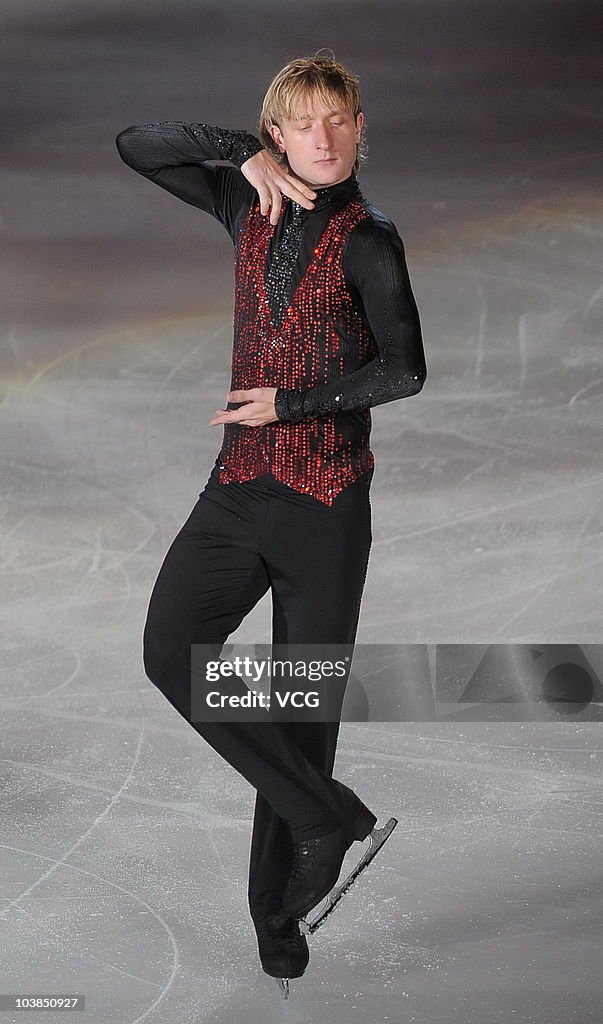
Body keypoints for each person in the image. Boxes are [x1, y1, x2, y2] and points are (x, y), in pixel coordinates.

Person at [115, 51, 426, 987]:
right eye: (300, 124)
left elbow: (403, 369)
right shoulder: (245, 205)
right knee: (173, 648)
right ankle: (325, 814)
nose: (321, 139)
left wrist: (288, 405)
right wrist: (238, 154)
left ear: (360, 129)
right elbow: (138, 147)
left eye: (337, 121)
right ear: (278, 133)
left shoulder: (371, 239)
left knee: (296, 712)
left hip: (325, 506)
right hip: (238, 491)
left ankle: (276, 912)